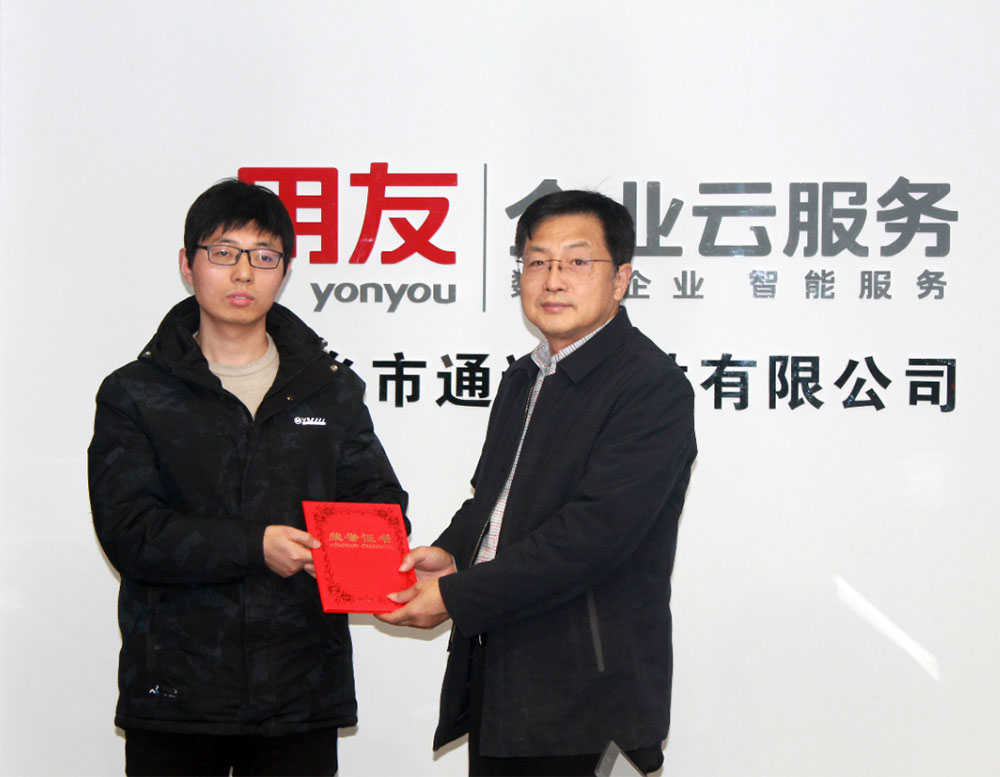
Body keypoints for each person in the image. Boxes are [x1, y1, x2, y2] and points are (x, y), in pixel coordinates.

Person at [88, 179, 407, 776]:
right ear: (187, 265)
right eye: (223, 252)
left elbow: (379, 504)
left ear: (283, 271)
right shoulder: (135, 393)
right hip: (178, 695)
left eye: (264, 256)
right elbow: (131, 533)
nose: (243, 273)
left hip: (300, 692)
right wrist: (254, 545)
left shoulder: (330, 389)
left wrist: (356, 552)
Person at [378, 190, 697, 775]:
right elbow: (493, 498)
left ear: (621, 279)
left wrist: (455, 597)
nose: (553, 280)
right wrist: (453, 553)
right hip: (505, 682)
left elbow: (592, 536)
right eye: (537, 261)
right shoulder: (524, 376)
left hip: (592, 697)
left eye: (577, 261)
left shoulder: (650, 387)